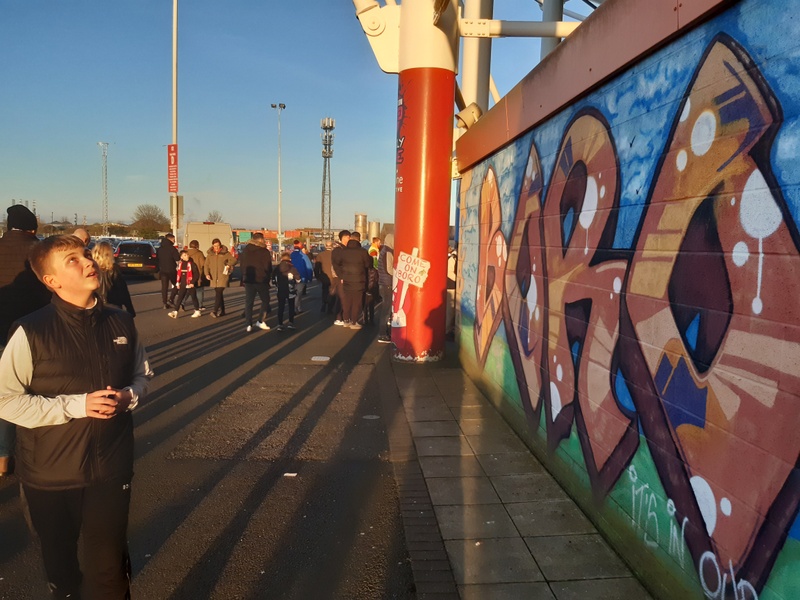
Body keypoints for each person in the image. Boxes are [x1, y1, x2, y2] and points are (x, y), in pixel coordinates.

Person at [0, 234, 152, 600]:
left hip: (111, 468)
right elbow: (6, 400)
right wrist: (77, 405)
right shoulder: (30, 330)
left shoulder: (122, 322)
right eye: (72, 260)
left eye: (85, 254)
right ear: (51, 280)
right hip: (50, 475)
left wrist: (129, 396)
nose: (87, 262)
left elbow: (142, 375)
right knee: (63, 573)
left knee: (110, 572)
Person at [0, 204, 51, 476]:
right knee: (34, 392)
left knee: (3, 392)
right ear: (32, 228)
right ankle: (38, 453)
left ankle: (2, 456)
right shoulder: (39, 251)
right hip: (33, 332)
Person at [332, 230, 371, 329]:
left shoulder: (343, 251)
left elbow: (336, 263)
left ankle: (346, 320)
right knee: (356, 302)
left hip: (346, 279)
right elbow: (368, 264)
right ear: (359, 240)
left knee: (347, 300)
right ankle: (354, 322)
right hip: (359, 279)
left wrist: (341, 275)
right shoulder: (362, 252)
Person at [239, 232, 272, 333]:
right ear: (261, 239)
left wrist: (244, 276)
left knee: (249, 302)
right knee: (266, 300)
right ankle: (260, 320)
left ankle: (248, 324)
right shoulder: (264, 251)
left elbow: (242, 265)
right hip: (261, 279)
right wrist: (268, 278)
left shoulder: (246, 250)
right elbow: (268, 267)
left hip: (248, 279)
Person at [91, 241, 135, 316]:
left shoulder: (91, 269)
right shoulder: (114, 269)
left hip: (95, 307)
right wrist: (130, 309)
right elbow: (123, 291)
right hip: (113, 308)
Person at [205, 238, 236, 317]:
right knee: (219, 294)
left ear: (220, 245)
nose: (216, 247)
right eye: (215, 246)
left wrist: (228, 264)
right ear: (212, 246)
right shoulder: (210, 254)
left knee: (219, 292)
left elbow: (234, 260)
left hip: (223, 276)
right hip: (213, 277)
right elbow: (206, 265)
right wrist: (207, 274)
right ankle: (222, 310)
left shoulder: (225, 253)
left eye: (218, 246)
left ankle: (215, 311)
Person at [167, 249, 202, 319]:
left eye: (187, 255)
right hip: (183, 284)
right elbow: (179, 274)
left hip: (190, 284)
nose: (187, 256)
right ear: (181, 257)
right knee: (180, 298)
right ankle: (175, 312)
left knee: (193, 297)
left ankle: (197, 311)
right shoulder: (180, 265)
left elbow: (196, 274)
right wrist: (178, 282)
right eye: (185, 255)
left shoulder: (192, 264)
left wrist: (192, 283)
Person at [272, 252, 300, 331]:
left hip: (280, 290)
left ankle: (280, 324)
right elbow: (298, 279)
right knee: (291, 306)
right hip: (290, 290)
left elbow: (273, 279)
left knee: (281, 307)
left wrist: (277, 285)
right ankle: (291, 323)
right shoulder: (292, 268)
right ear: (289, 259)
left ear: (281, 259)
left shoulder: (277, 268)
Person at [376, 233, 395, 343]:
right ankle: (383, 334)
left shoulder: (383, 251)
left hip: (383, 283)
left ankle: (384, 333)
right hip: (387, 283)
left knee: (385, 309)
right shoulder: (388, 252)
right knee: (386, 310)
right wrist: (398, 273)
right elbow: (389, 269)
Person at [330, 230, 350, 325]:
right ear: (343, 238)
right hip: (339, 277)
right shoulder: (338, 249)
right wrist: (341, 276)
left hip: (344, 276)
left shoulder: (344, 249)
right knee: (342, 297)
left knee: (343, 297)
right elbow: (336, 265)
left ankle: (342, 317)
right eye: (348, 237)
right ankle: (339, 318)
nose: (349, 239)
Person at [156, 233, 180, 309]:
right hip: (171, 270)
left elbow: (157, 259)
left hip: (163, 270)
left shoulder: (160, 249)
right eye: (173, 239)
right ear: (170, 239)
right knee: (177, 284)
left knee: (164, 287)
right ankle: (171, 299)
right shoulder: (172, 248)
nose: (174, 241)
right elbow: (177, 258)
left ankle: (164, 303)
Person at [290, 240, 313, 313]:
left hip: (291, 277)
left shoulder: (290, 256)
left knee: (292, 293)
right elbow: (309, 267)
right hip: (302, 277)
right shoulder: (304, 256)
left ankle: (294, 307)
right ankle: (297, 307)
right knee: (298, 293)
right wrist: (310, 277)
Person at [185, 239, 207, 310]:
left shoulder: (185, 253)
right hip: (197, 274)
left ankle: (182, 303)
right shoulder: (199, 253)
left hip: (187, 274)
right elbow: (203, 264)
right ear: (197, 245)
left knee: (187, 290)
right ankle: (200, 305)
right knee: (199, 290)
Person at [314, 240, 334, 313]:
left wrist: (317, 276)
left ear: (325, 246)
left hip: (324, 276)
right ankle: (330, 307)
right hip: (333, 277)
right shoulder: (335, 255)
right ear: (332, 246)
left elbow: (317, 267)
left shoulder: (320, 255)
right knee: (332, 292)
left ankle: (324, 303)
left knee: (325, 290)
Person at [446, 244, 458, 340]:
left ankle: (448, 330)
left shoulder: (452, 257)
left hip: (450, 286)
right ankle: (447, 331)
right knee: (450, 311)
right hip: (451, 286)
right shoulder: (453, 257)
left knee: (450, 311)